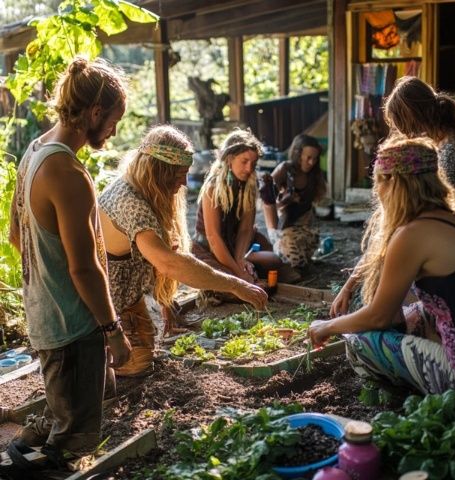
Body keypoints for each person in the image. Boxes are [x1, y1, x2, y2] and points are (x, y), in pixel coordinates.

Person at [8, 57, 131, 466]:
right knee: (77, 441)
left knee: (74, 398)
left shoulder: (35, 151)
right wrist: (111, 330)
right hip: (72, 327)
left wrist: (48, 282)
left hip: (46, 315)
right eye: (113, 120)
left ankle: (35, 435)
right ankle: (32, 463)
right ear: (95, 112)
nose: (113, 131)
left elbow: (14, 235)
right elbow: (83, 267)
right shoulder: (66, 173)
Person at [309, 137, 455, 396]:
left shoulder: (412, 234)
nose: (376, 191)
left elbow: (380, 316)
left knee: (359, 341)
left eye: (377, 180)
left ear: (393, 182)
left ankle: (442, 403)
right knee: (413, 313)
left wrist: (326, 326)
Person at [98, 124, 268, 377]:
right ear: (161, 171)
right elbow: (169, 262)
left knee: (145, 354)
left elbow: (163, 253)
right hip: (101, 301)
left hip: (127, 293)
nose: (185, 182)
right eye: (179, 174)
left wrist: (167, 303)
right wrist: (236, 284)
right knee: (135, 366)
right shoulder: (129, 203)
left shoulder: (146, 192)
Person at [192, 128, 295, 287]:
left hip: (236, 245)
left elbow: (245, 229)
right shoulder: (213, 188)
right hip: (210, 248)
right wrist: (238, 272)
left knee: (273, 261)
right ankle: (234, 277)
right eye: (244, 161)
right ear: (229, 159)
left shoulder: (249, 186)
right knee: (225, 282)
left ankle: (242, 267)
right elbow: (214, 238)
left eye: (253, 163)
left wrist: (240, 260)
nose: (249, 169)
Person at [384, 76, 455, 202]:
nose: (406, 136)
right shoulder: (447, 141)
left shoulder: (452, 149)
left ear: (412, 122)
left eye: (403, 129)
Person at [261, 134, 327, 269]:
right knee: (293, 259)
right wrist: (285, 201)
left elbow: (319, 198)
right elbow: (266, 198)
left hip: (306, 226)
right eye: (308, 157)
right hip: (285, 224)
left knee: (301, 257)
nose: (311, 162)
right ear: (298, 154)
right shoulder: (285, 169)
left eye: (315, 158)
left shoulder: (315, 173)